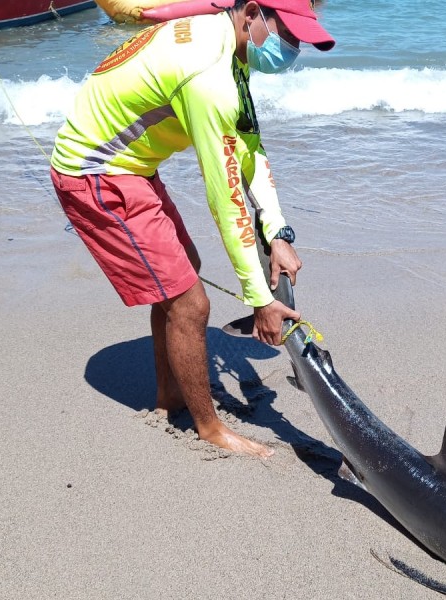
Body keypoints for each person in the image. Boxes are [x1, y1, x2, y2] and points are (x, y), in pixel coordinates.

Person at [49, 0, 335, 458]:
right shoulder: (207, 77)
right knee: (190, 302)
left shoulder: (225, 42)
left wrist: (278, 233)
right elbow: (225, 198)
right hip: (94, 173)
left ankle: (170, 395)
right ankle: (209, 428)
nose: (293, 48)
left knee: (186, 273)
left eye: (301, 38)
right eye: (289, 34)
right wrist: (259, 298)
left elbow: (250, 150)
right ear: (252, 13)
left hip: (130, 165)